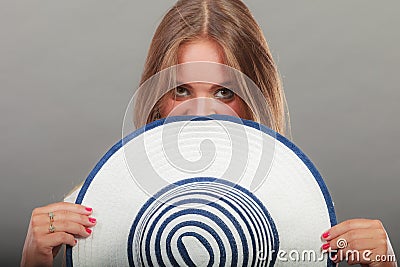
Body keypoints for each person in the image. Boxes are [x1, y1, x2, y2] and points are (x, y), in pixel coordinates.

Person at [21, 0, 397, 266]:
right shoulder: (88, 211)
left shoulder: (304, 218)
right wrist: (32, 261)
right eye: (182, 90)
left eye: (223, 92)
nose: (200, 113)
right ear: (158, 100)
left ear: (255, 98)